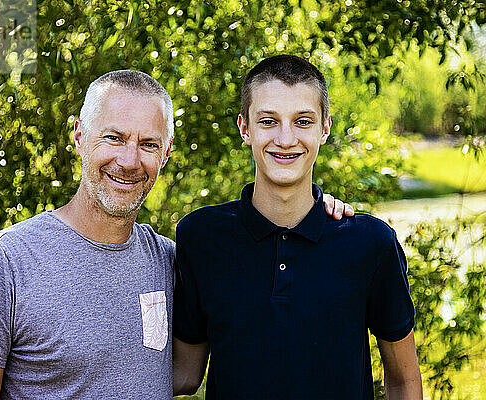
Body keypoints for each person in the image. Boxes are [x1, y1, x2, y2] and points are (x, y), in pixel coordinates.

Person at [0, 69, 352, 399]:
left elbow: (192, 370)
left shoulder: (174, 262)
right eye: (114, 138)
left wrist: (314, 209)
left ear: (166, 153)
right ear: (79, 137)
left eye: (149, 144)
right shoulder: (5, 264)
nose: (129, 160)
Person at [172, 55, 422, 400]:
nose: (286, 139)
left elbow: (404, 383)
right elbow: (184, 374)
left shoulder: (371, 243)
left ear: (325, 127)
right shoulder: (200, 237)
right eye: (269, 121)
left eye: (302, 121)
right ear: (245, 128)